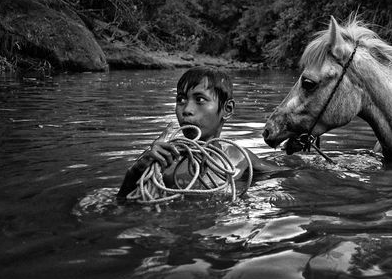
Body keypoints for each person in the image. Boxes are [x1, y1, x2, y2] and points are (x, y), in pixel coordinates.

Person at [116, 66, 284, 201]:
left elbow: (284, 174)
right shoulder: (162, 161)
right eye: (181, 100)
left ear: (227, 109)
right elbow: (123, 203)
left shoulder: (239, 157)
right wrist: (136, 171)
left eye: (200, 100)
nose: (187, 110)